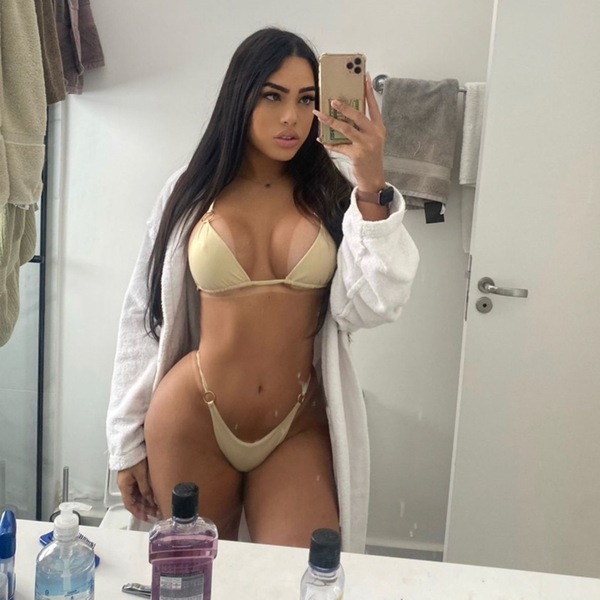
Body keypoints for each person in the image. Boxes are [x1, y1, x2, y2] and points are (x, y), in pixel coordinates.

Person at [106, 27, 419, 553]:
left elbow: (374, 305)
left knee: (301, 578)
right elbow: (144, 313)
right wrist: (124, 442)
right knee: (196, 577)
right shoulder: (189, 190)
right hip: (192, 417)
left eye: (307, 99)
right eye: (273, 96)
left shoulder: (334, 192)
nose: (291, 117)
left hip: (297, 423)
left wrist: (370, 185)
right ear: (241, 96)